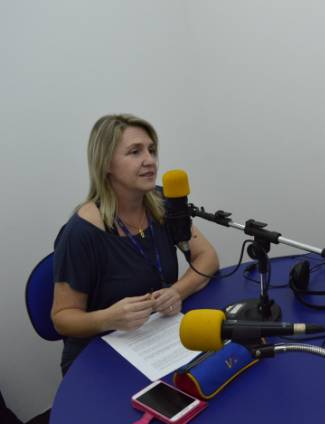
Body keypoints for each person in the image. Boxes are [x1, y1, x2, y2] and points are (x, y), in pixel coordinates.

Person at [51, 114, 219, 374]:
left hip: (155, 337)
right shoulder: (81, 232)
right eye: (135, 152)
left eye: (152, 150)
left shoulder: (160, 202)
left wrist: (177, 291)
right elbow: (62, 318)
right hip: (100, 354)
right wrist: (107, 318)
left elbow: (207, 256)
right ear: (106, 163)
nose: (150, 160)